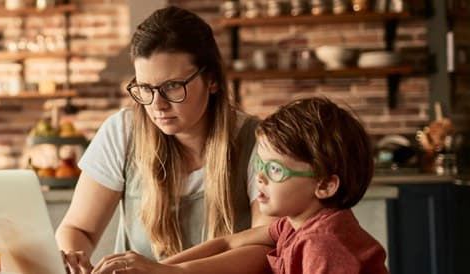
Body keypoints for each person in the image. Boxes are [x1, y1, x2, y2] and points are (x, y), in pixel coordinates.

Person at [54, 5, 276, 274]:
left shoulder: (260, 143)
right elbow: (79, 229)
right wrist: (72, 256)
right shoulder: (122, 132)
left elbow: (265, 248)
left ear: (212, 80)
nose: (157, 105)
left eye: (172, 86)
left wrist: (170, 272)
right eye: (145, 88)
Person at [92, 97, 389, 273]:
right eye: (260, 164)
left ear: (325, 186)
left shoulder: (323, 246)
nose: (259, 177)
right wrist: (161, 269)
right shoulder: (294, 225)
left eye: (274, 169)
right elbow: (227, 242)